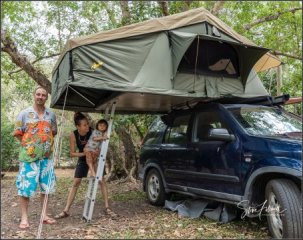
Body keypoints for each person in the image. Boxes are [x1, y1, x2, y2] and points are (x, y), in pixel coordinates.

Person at [54, 112, 117, 219]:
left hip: (95, 158)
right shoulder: (73, 135)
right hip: (83, 158)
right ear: (78, 126)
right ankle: (66, 210)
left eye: (88, 124)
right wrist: (85, 153)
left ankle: (107, 208)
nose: (87, 126)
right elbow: (72, 153)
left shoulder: (93, 131)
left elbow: (103, 137)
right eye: (84, 125)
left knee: (101, 180)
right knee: (76, 182)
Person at [13, 86, 57, 229]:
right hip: (28, 158)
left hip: (46, 158)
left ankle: (44, 215)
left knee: (47, 187)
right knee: (25, 187)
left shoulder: (51, 115)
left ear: (46, 98)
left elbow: (53, 132)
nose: (40, 97)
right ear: (34, 95)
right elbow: (18, 133)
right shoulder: (24, 114)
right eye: (38, 94)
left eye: (43, 95)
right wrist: (30, 147)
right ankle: (24, 218)